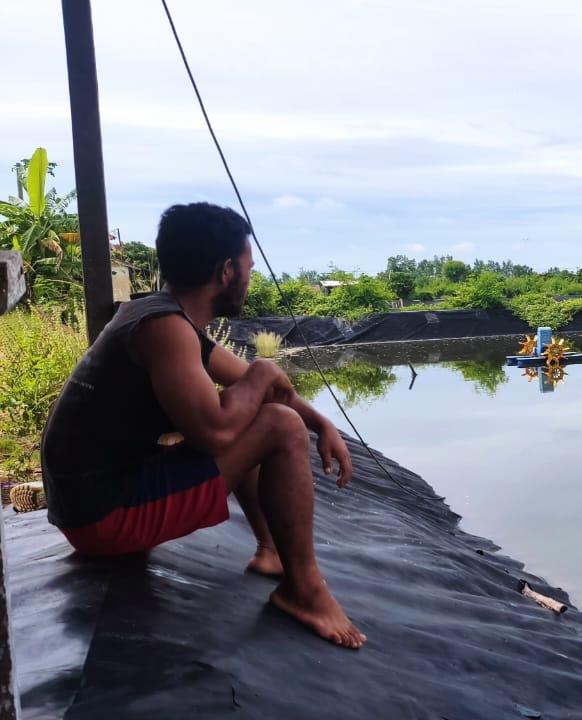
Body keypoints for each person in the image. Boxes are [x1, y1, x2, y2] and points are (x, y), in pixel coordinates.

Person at [41, 202, 365, 649]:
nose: (251, 278)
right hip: (103, 518)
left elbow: (252, 386)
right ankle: (305, 590)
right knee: (279, 426)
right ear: (227, 271)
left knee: (263, 415)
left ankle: (272, 553)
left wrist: (323, 423)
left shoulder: (159, 316)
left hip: (87, 506)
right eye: (249, 267)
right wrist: (266, 375)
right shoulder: (165, 331)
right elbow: (214, 433)